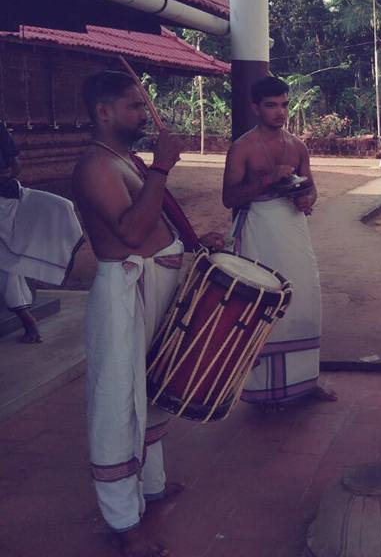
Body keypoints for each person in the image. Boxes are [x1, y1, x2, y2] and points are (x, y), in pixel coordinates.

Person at [72, 70, 224, 557]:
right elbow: (132, 234)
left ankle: (152, 487)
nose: (144, 113)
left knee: (151, 385)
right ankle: (123, 521)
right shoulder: (96, 165)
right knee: (118, 403)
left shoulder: (123, 159)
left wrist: (195, 244)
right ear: (104, 112)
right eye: (135, 106)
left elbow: (154, 218)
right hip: (122, 295)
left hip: (151, 286)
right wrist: (160, 168)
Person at [222, 76, 336, 407]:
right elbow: (229, 198)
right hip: (259, 229)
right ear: (255, 108)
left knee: (304, 297)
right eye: (271, 105)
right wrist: (269, 180)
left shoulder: (297, 145)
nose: (280, 112)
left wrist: (307, 200)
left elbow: (310, 188)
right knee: (263, 301)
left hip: (293, 227)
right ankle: (258, 389)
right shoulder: (242, 147)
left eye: (284, 104)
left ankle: (306, 382)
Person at [1, 121, 83, 342]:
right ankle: (29, 324)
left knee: (61, 207)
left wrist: (7, 170)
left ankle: (29, 324)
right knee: (8, 267)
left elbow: (14, 164)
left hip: (8, 201)